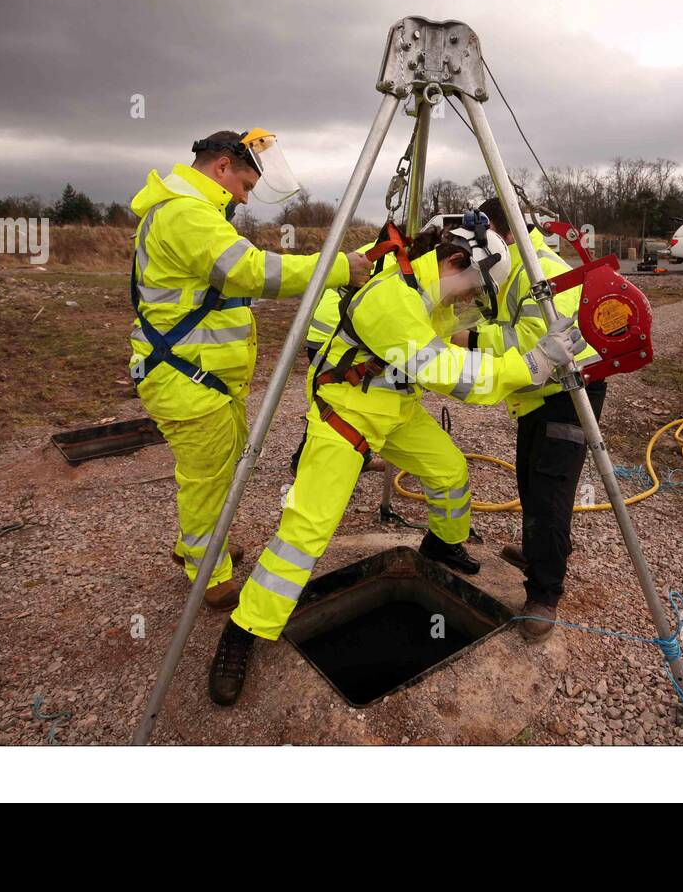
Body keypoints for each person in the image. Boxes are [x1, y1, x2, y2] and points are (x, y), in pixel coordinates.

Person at [207, 225, 583, 704]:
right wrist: (528, 368)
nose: (469, 300)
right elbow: (447, 372)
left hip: (395, 408)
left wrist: (521, 350)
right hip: (346, 412)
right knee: (308, 529)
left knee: (449, 472)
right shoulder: (390, 299)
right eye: (472, 289)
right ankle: (245, 629)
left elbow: (458, 345)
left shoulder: (428, 292)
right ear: (454, 263)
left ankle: (443, 546)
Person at [129, 129, 370, 611]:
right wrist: (338, 268)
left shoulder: (186, 210)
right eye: (244, 186)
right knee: (207, 480)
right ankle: (209, 575)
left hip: (199, 378)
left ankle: (198, 545)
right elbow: (252, 272)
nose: (244, 198)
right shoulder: (185, 213)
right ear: (221, 167)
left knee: (210, 473)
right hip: (187, 379)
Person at [462, 197, 606, 643]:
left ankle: (545, 593)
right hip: (539, 395)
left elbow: (533, 339)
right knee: (529, 478)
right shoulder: (520, 266)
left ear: (499, 234)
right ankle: (540, 552)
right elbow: (511, 324)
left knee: (549, 490)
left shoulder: (540, 269)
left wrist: (465, 338)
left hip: (568, 394)